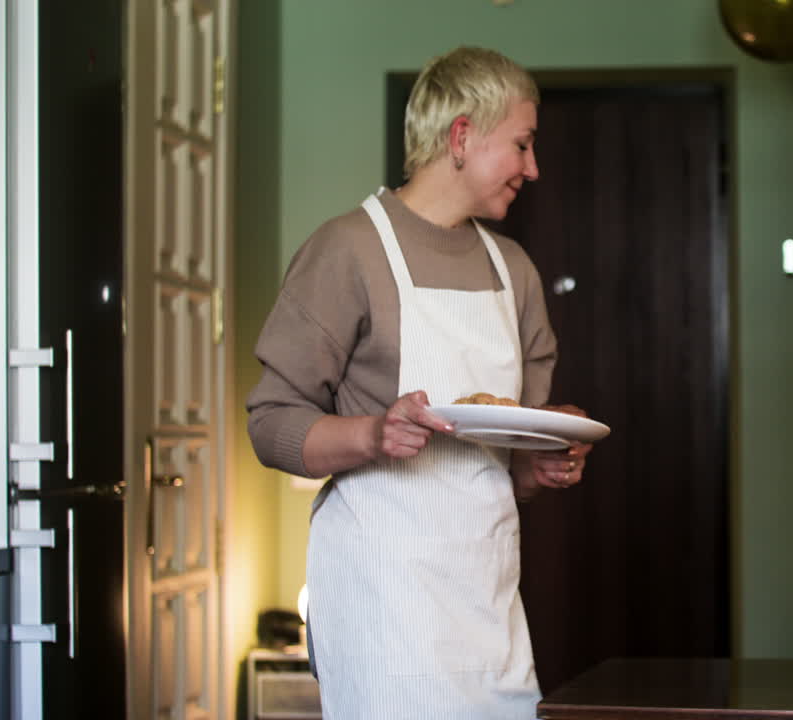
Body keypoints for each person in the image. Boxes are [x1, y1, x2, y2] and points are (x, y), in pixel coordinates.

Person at [246, 46, 592, 718]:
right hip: (384, 601)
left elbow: (508, 464)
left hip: (487, 599)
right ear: (462, 136)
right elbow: (271, 424)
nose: (533, 167)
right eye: (522, 144)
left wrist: (544, 463)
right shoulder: (348, 249)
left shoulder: (512, 270)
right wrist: (376, 433)